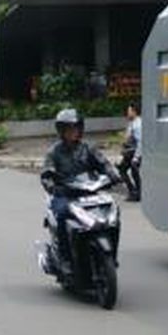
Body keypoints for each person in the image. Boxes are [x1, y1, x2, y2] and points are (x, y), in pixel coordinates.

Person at [40, 109, 118, 264]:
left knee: (112, 212)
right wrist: (51, 184)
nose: (73, 132)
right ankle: (64, 257)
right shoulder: (54, 152)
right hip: (65, 194)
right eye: (69, 129)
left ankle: (111, 254)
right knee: (62, 214)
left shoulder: (88, 148)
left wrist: (113, 174)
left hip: (89, 192)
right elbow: (47, 173)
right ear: (61, 131)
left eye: (76, 128)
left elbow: (104, 163)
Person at [117, 102, 142, 202]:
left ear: (134, 112)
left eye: (129, 111)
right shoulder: (132, 123)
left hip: (134, 153)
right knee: (124, 170)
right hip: (129, 152)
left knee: (129, 171)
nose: (127, 113)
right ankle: (135, 192)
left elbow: (140, 141)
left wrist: (137, 157)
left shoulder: (138, 125)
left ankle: (136, 192)